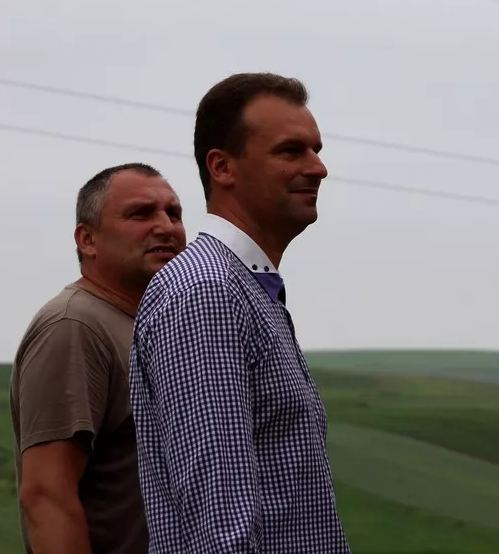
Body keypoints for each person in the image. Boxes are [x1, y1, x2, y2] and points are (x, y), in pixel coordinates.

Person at [129, 73, 351, 552]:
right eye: (291, 151)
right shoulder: (207, 293)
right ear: (222, 167)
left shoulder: (245, 286)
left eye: (316, 150)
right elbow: (220, 527)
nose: (318, 168)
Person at [9, 162, 186, 554]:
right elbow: (46, 496)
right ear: (87, 239)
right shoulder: (74, 326)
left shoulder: (156, 324)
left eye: (173, 213)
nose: (166, 227)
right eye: (141, 213)